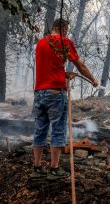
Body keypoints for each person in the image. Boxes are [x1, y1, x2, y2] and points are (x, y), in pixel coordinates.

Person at [31, 18, 98, 180]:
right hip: (56, 93)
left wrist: (64, 74)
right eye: (66, 29)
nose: (67, 32)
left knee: (40, 130)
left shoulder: (40, 43)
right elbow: (80, 66)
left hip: (39, 93)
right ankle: (54, 170)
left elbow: (49, 68)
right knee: (58, 130)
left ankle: (37, 168)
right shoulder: (64, 42)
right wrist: (93, 80)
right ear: (62, 28)